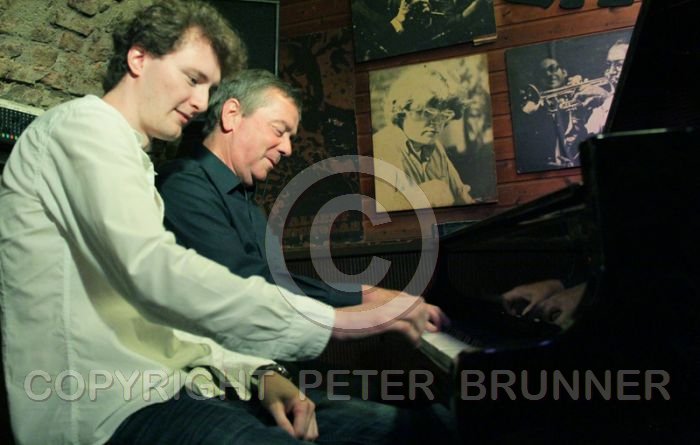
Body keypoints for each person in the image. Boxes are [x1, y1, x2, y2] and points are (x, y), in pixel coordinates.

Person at [0, 1, 436, 443]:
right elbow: (159, 276)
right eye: (193, 79)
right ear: (139, 58)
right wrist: (339, 321)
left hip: (180, 386)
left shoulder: (133, 158)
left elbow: (168, 321)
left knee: (415, 429)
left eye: (208, 88)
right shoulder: (83, 127)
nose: (200, 102)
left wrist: (258, 372)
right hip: (108, 409)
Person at [156, 69, 448, 323]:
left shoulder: (245, 200)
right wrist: (365, 297)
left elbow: (274, 290)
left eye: (290, 138)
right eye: (278, 130)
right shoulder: (182, 186)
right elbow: (244, 280)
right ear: (232, 115)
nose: (287, 149)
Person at [372, 65, 475, 212]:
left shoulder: (435, 147)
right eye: (427, 113)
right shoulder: (382, 145)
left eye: (443, 116)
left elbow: (462, 197)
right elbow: (383, 212)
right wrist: (429, 193)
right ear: (403, 110)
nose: (436, 123)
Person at [516, 56, 590, 171]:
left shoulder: (585, 95)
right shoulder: (535, 108)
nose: (549, 74)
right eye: (543, 73)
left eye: (553, 69)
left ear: (564, 72)